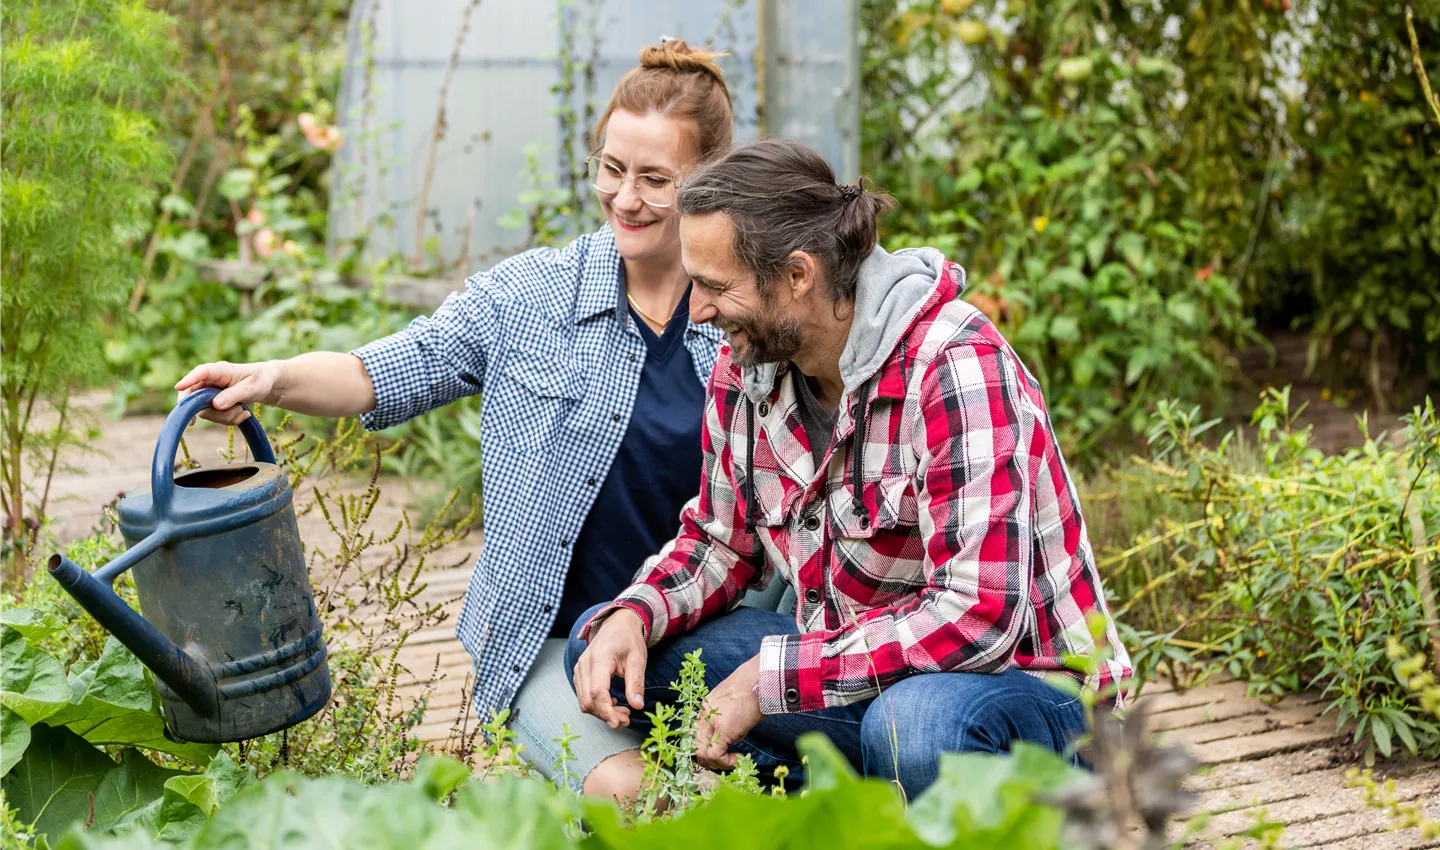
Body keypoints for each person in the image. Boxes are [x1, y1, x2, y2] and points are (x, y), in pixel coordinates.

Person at [174, 40, 737, 791]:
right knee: (640, 798)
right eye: (611, 168)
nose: (624, 198)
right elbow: (380, 372)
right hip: (550, 641)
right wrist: (270, 377)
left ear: (709, 184)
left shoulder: (744, 319)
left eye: (655, 180)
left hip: (700, 635)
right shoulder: (530, 298)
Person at [567, 138, 1133, 800]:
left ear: (798, 274)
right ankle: (864, 796)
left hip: (1026, 694)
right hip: (853, 673)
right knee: (608, 648)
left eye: (717, 287)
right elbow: (721, 543)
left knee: (914, 729)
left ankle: (902, 794)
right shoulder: (746, 369)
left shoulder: (953, 365)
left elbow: (977, 618)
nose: (697, 311)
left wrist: (767, 678)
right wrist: (637, 613)